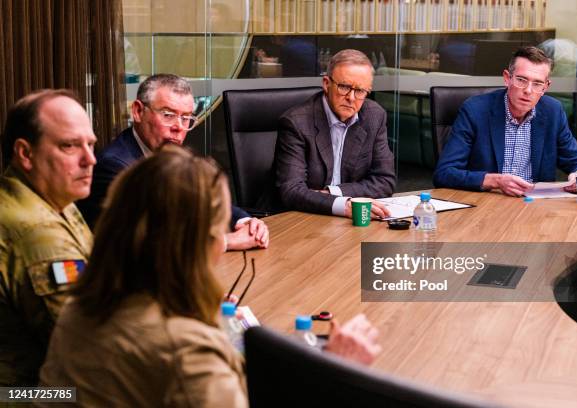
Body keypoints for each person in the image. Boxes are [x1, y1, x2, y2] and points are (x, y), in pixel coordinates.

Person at [39, 146, 381, 406]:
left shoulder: (80, 307)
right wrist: (337, 375)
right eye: (220, 228)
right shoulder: (188, 354)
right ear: (199, 242)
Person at [78, 74, 268, 250]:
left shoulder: (173, 158)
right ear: (137, 111)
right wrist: (226, 241)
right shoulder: (116, 167)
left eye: (186, 118)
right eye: (168, 115)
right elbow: (150, 242)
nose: (178, 127)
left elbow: (206, 201)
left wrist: (245, 223)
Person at [0, 90, 96, 386]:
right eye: (69, 146)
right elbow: (90, 347)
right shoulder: (35, 231)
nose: (90, 159)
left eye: (91, 144)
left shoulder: (58, 200)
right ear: (26, 154)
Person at [433, 46, 577, 196]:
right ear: (507, 78)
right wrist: (495, 180)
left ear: (545, 87)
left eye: (537, 83)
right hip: (487, 205)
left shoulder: (553, 112)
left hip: (535, 207)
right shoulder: (475, 111)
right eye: (521, 80)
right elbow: (444, 173)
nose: (528, 90)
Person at [275, 49, 395, 218]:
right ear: (326, 83)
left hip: (351, 219)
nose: (351, 98)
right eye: (344, 87)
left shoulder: (374, 116)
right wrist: (343, 206)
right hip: (301, 219)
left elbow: (385, 181)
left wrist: (334, 193)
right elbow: (291, 190)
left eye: (360, 91)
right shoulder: (296, 123)